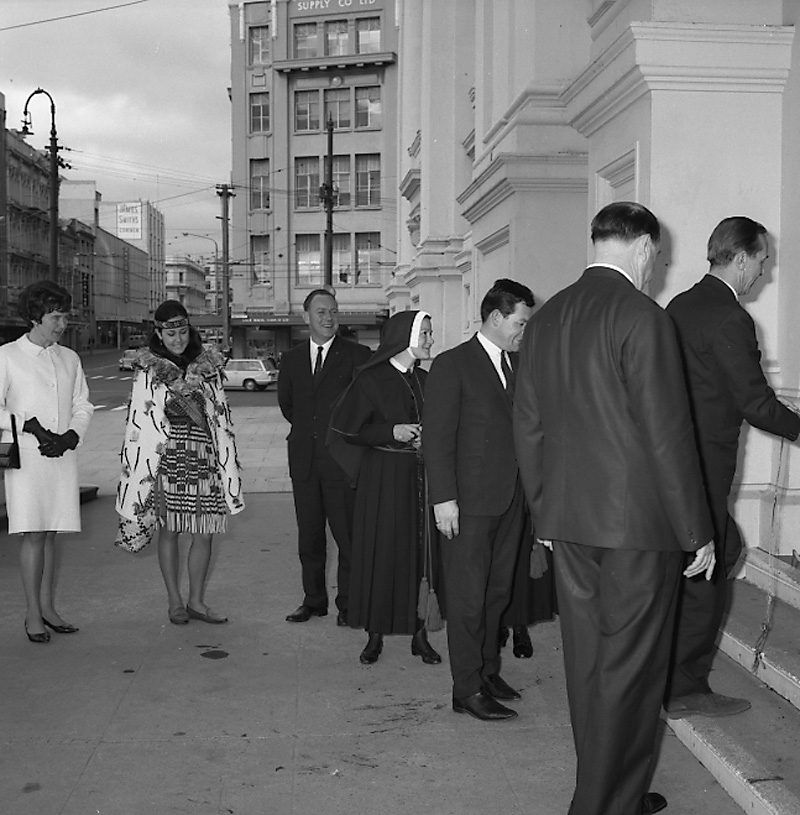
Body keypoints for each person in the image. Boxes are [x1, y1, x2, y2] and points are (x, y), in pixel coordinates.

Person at [514, 201, 716, 815]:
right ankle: (604, 803)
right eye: (658, 257)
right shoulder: (642, 317)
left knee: (590, 669)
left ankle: (611, 793)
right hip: (638, 532)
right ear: (645, 248)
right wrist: (696, 530)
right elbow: (667, 436)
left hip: (570, 525)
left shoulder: (546, 319)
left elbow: (528, 427)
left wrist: (545, 515)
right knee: (632, 673)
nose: (656, 268)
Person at [664, 216, 800, 719]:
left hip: (676, 459)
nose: (764, 271)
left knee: (715, 555)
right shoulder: (730, 318)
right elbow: (755, 403)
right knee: (712, 563)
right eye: (761, 260)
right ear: (740, 258)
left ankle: (672, 673)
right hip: (704, 464)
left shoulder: (680, 306)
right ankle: (685, 687)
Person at [424, 278, 534, 722]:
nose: (524, 331)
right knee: (468, 598)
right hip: (466, 505)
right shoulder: (453, 364)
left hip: (510, 500)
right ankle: (466, 689)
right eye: (520, 323)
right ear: (495, 317)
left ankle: (488, 672)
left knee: (497, 593)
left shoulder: (518, 364)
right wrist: (443, 499)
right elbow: (437, 437)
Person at [116, 300, 244, 625]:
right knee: (170, 530)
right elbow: (139, 423)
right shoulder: (149, 369)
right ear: (159, 333)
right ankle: (174, 601)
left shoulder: (207, 365)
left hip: (205, 457)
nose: (178, 339)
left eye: (183, 331)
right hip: (167, 459)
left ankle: (196, 601)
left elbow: (220, 416)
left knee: (205, 532)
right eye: (171, 333)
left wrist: (225, 461)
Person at [328, 310, 442, 665]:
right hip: (383, 478)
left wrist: (427, 438)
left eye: (430, 333)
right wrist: (391, 431)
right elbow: (349, 431)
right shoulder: (370, 379)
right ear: (404, 337)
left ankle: (419, 634)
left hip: (420, 478)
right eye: (425, 334)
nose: (430, 340)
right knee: (381, 554)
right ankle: (374, 634)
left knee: (419, 555)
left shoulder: (425, 379)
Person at [0, 281, 94, 643]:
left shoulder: (69, 358)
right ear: (35, 316)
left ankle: (48, 607)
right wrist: (30, 425)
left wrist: (71, 435)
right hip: (28, 457)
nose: (62, 324)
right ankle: (32, 613)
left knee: (52, 530)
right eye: (56, 317)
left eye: (65, 317)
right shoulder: (8, 356)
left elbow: (82, 404)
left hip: (61, 455)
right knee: (34, 532)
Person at [278, 289, 371, 626]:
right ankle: (313, 601)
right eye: (321, 312)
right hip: (305, 461)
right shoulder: (291, 359)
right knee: (310, 538)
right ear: (306, 317)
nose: (328, 317)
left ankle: (348, 604)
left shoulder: (358, 355)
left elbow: (365, 405)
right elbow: (289, 406)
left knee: (348, 538)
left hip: (341, 462)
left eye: (333, 311)